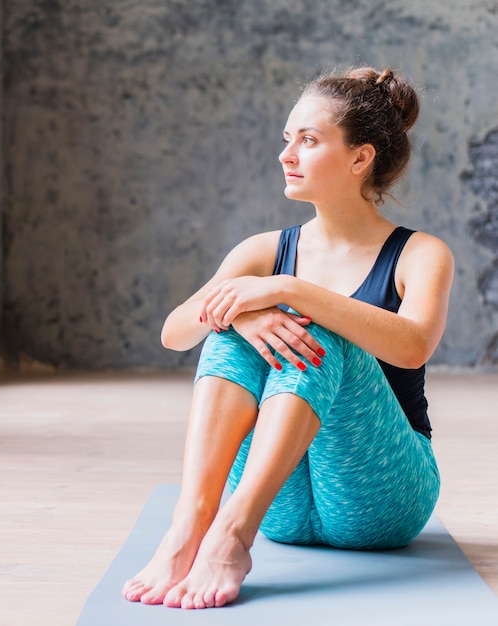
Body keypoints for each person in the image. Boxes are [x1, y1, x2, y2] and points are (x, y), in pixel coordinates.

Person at [121, 66, 454, 610]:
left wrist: (288, 290)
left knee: (315, 331)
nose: (286, 154)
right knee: (229, 329)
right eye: (287, 138)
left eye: (309, 139)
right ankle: (192, 525)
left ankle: (231, 540)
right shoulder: (263, 250)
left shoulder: (420, 253)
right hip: (282, 506)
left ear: (359, 157)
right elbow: (174, 333)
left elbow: (414, 344)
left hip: (383, 495)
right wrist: (241, 313)